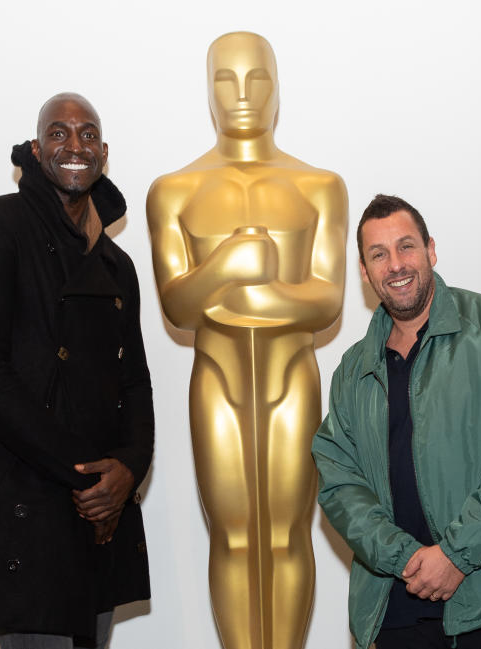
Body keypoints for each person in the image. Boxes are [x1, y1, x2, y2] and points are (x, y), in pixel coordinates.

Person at [0, 93, 154, 649]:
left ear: (103, 152)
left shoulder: (117, 265)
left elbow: (136, 383)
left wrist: (127, 472)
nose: (73, 145)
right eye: (58, 134)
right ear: (35, 150)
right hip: (26, 508)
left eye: (86, 135)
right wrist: (91, 481)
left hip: (101, 514)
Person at [146, 32, 346, 649]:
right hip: (217, 377)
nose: (241, 94)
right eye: (225, 80)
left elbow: (328, 300)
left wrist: (248, 298)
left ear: (278, 88)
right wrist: (231, 262)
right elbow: (179, 305)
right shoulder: (173, 190)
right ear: (208, 93)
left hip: (292, 377)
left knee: (289, 534)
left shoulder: (319, 185)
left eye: (256, 78)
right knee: (231, 535)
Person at [312, 195, 481, 649]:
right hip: (397, 604)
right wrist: (405, 558)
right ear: (365, 271)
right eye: (379, 254)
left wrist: (455, 555)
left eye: (405, 246)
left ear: (431, 250)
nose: (395, 264)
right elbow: (339, 481)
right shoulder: (353, 371)